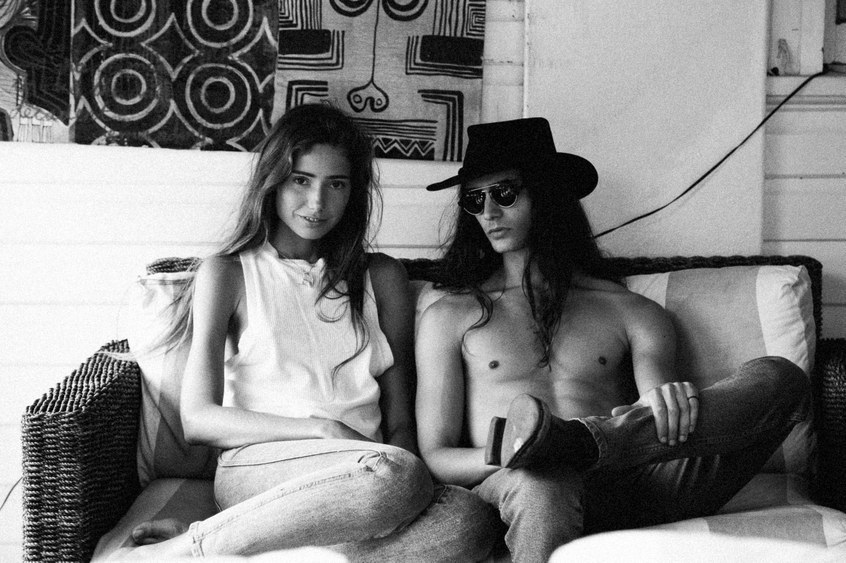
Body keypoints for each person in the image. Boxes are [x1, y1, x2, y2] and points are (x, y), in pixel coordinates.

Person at [415, 117, 811, 562]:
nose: (488, 212)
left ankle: (577, 441)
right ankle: (552, 450)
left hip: (632, 481)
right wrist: (515, 453)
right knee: (545, 480)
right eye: (474, 199)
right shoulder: (450, 316)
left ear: (547, 192)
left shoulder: (630, 310)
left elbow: (665, 425)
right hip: (521, 482)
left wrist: (667, 401)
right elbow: (436, 454)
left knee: (783, 379)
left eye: (504, 193)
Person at [125, 103, 498, 560]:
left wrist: (404, 475)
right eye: (301, 180)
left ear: (354, 192)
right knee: (394, 478)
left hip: (365, 470)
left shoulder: (382, 278)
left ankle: (254, 546)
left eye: (336, 184)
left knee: (469, 521)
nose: (318, 203)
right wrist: (322, 429)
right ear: (273, 181)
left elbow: (400, 420)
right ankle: (187, 549)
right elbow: (198, 419)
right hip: (260, 463)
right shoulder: (228, 274)